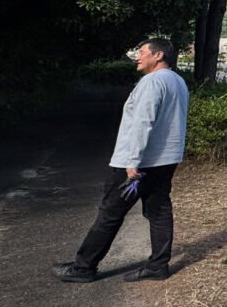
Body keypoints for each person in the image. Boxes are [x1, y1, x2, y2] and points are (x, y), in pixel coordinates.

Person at [51, 38, 189, 283]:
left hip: (139, 163)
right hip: (165, 160)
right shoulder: (178, 81)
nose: (138, 57)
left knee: (110, 213)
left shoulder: (152, 81)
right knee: (159, 211)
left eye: (142, 52)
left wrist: (132, 160)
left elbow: (143, 122)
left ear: (158, 55)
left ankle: (83, 268)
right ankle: (158, 266)